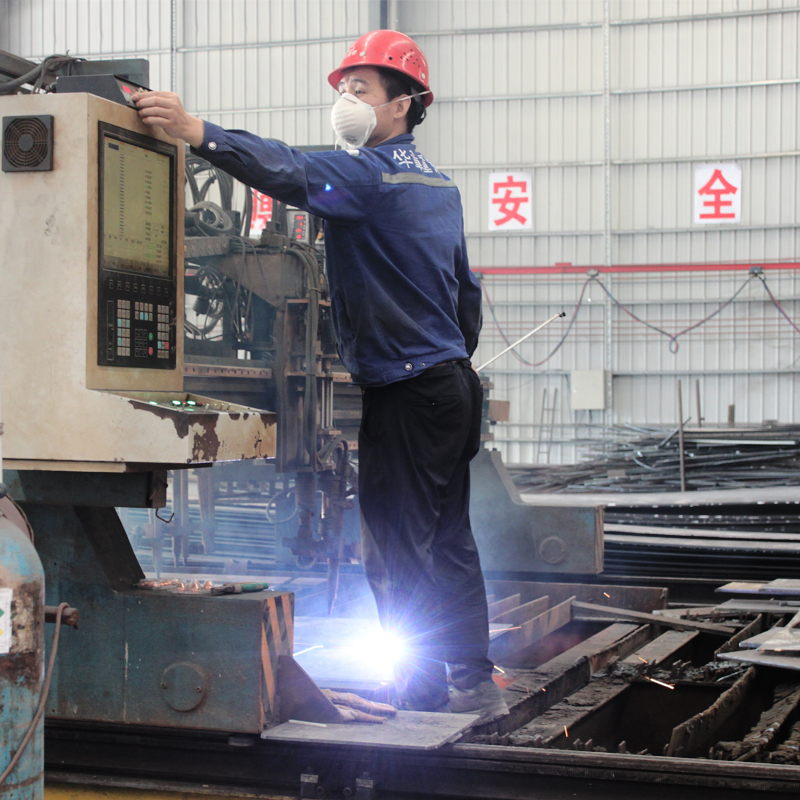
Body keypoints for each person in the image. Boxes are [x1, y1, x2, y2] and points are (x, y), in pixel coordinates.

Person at [134, 29, 508, 724]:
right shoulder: (439, 186)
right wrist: (446, 358)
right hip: (450, 385)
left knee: (396, 547)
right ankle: (472, 673)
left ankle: (420, 690)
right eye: (343, 87)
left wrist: (197, 132)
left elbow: (290, 171)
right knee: (448, 537)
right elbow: (467, 293)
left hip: (410, 390)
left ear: (403, 103)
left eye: (361, 87)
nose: (346, 99)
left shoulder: (367, 179)